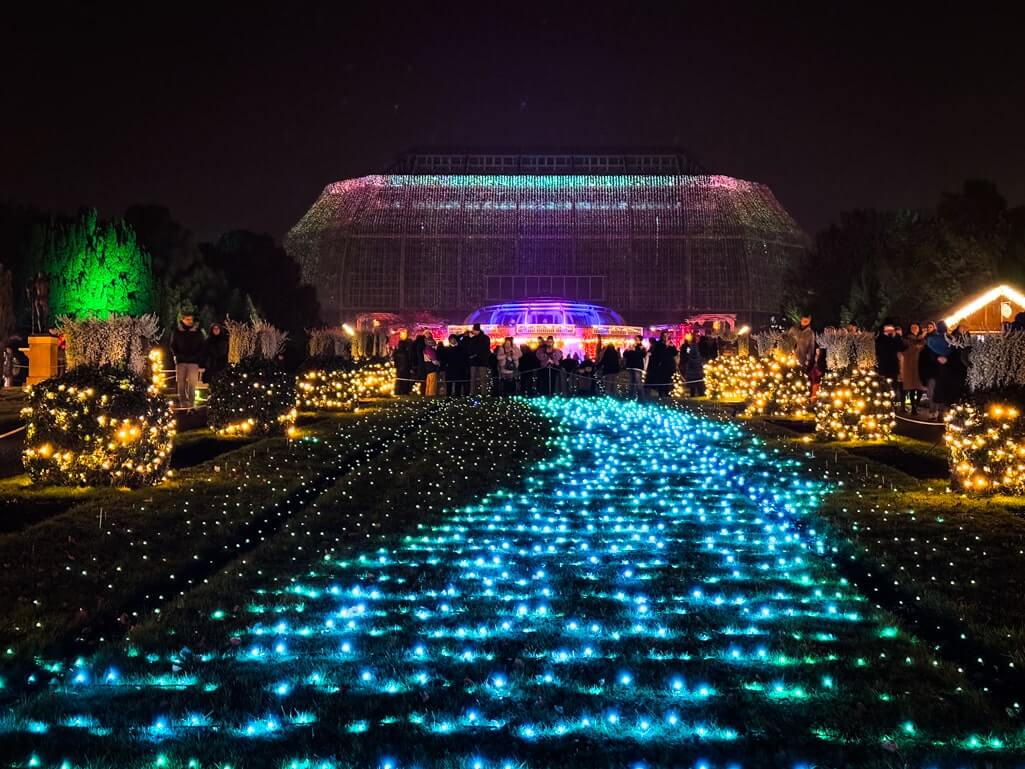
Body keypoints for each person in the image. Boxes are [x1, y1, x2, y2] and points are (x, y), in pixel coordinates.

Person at [170, 314, 204, 409]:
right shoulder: (177, 331)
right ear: (183, 320)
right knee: (181, 384)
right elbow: (173, 345)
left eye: (191, 319)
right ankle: (183, 404)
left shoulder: (197, 332)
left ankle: (191, 404)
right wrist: (177, 355)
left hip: (193, 361)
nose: (190, 321)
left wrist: (197, 356)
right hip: (181, 361)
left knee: (192, 384)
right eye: (187, 319)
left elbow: (202, 346)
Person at [901, 322, 926, 414]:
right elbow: (904, 350)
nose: (914, 329)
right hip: (910, 365)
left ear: (919, 329)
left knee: (921, 388)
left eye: (916, 327)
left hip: (921, 365)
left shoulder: (923, 339)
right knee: (912, 387)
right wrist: (915, 347)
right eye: (912, 327)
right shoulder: (906, 338)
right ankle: (913, 408)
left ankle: (916, 405)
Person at [875, 323, 902, 405]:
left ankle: (895, 404)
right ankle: (884, 403)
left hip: (894, 366)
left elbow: (902, 347)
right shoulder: (880, 339)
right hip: (884, 366)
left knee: (894, 386)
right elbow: (878, 350)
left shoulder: (896, 338)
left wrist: (896, 337)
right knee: (884, 385)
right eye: (887, 329)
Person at [466, 324, 491, 396]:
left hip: (480, 361)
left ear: (476, 330)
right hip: (479, 361)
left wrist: (473, 355)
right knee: (478, 379)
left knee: (478, 379)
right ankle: (480, 393)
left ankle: (476, 393)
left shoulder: (482, 338)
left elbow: (482, 349)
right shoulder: (484, 338)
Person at [392, 330, 414, 395]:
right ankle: (405, 391)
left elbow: (395, 360)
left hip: (399, 369)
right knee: (405, 380)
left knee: (399, 380)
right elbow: (409, 359)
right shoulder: (406, 353)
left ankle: (399, 391)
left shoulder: (397, 352)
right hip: (405, 368)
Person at [421, 332, 440, 396]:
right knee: (432, 383)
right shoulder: (431, 350)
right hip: (432, 368)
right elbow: (434, 361)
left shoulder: (425, 349)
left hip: (427, 368)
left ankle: (427, 394)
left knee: (428, 383)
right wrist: (439, 363)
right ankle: (431, 394)